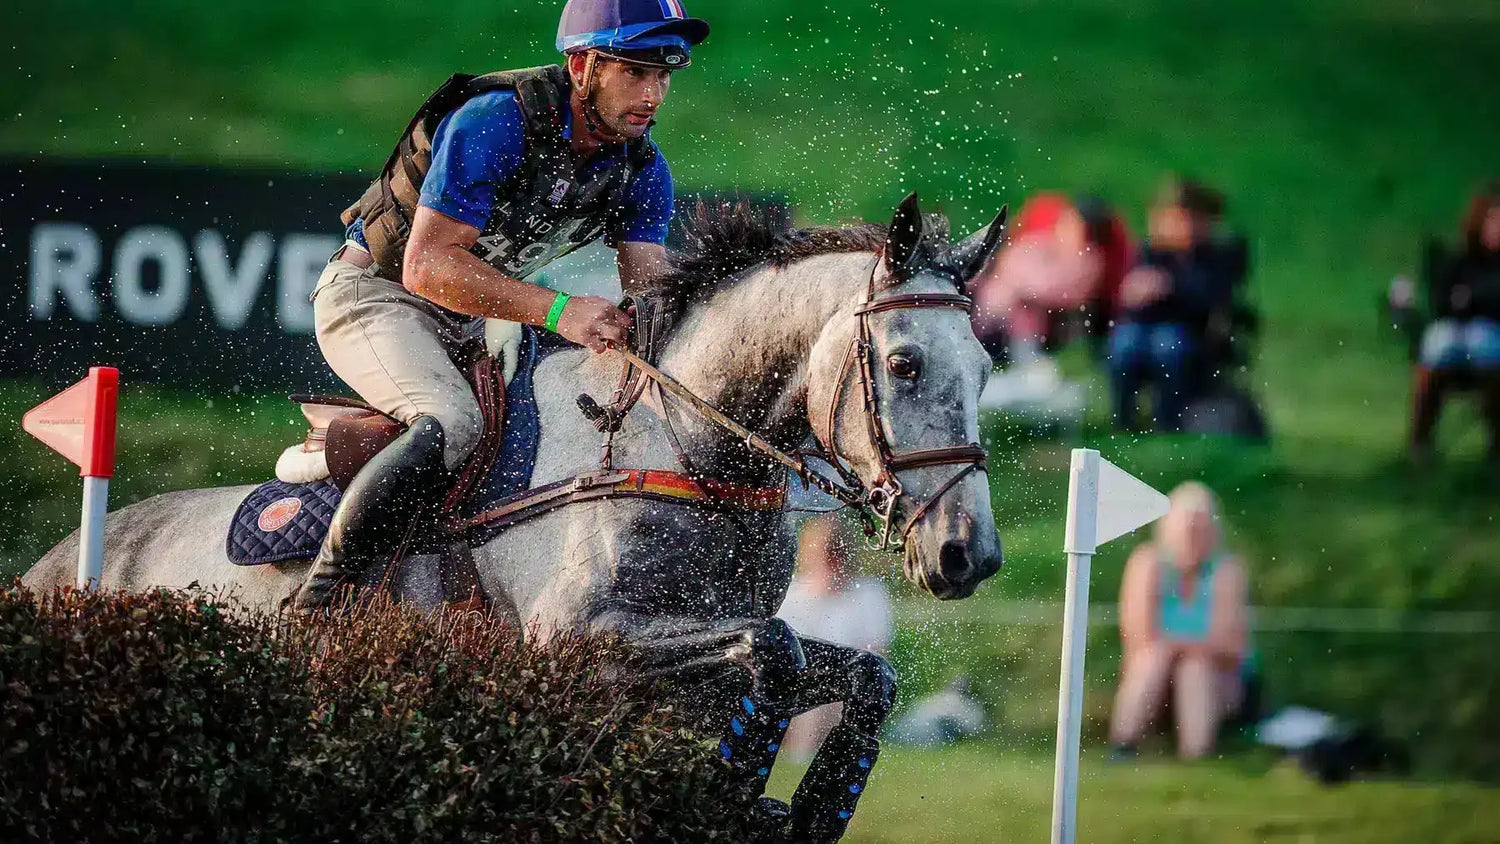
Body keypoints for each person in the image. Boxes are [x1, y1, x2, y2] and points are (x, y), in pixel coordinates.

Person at [290, 0, 711, 611]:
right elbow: (426, 266)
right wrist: (562, 310)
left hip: (476, 316)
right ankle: (321, 598)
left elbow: (652, 294)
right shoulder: (495, 120)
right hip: (376, 295)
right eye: (635, 71)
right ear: (584, 65)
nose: (653, 94)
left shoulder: (643, 169)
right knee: (454, 422)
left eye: (664, 74)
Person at [1108, 482, 1250, 760]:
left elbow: (1230, 648)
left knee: (1195, 668)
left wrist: (1178, 646)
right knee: (1154, 658)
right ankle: (1123, 745)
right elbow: (1138, 636)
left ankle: (1194, 755)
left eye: (1200, 529)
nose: (1192, 536)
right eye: (1186, 528)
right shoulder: (1147, 563)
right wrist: (1183, 647)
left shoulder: (1226, 571)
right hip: (1155, 675)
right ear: (1167, 530)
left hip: (1216, 683)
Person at [1107, 177, 1242, 432]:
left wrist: (1169, 288)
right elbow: (1129, 301)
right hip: (1144, 329)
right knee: (1124, 343)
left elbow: (1212, 298)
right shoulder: (1150, 252)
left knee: (1168, 347)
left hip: (1196, 334)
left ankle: (1168, 420)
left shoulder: (1219, 256)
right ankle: (1124, 419)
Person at [776, 515, 894, 760]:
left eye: (838, 552)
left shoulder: (868, 594)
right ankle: (800, 757)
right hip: (795, 689)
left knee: (827, 699)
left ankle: (802, 758)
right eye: (826, 554)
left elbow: (877, 655)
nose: (833, 561)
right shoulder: (791, 593)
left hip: (843, 690)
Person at [1410, 184, 1500, 463]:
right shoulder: (1459, 260)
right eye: (1494, 222)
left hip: (1489, 339)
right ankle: (1419, 444)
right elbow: (1442, 302)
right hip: (1452, 335)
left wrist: (1472, 299)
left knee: (1483, 342)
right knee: (1439, 345)